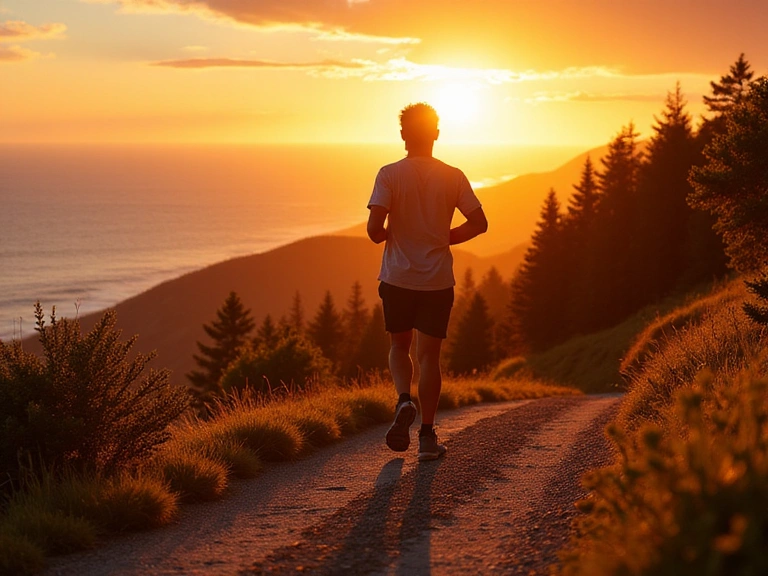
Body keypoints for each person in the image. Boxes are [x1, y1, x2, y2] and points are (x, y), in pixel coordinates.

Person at [367, 102, 488, 461]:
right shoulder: (453, 176)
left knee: (398, 347)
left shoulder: (388, 174)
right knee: (429, 357)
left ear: (403, 134)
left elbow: (375, 232)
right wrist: (442, 237)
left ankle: (404, 399)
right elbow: (479, 223)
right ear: (436, 133)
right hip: (436, 280)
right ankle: (427, 438)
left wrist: (396, 233)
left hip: (398, 278)